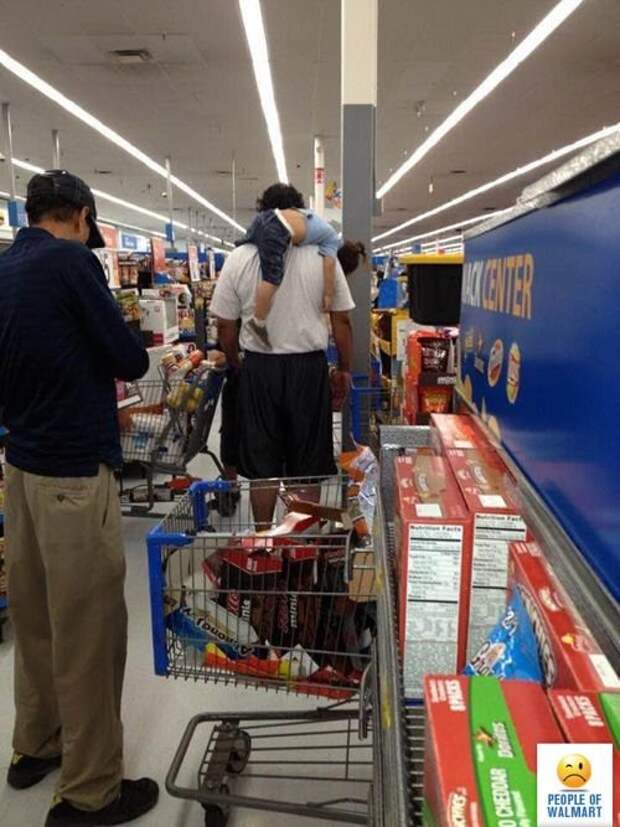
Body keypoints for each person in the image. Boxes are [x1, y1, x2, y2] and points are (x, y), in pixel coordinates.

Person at [0, 170, 159, 826]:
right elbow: (130, 357)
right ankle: (92, 789)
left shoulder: (6, 266)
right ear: (83, 216)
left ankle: (33, 746)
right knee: (89, 631)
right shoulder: (73, 263)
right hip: (73, 477)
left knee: (36, 621)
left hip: (22, 472)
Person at [212, 183, 354, 526]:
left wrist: (235, 362)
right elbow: (342, 319)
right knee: (306, 464)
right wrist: (344, 369)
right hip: (308, 369)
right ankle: (299, 545)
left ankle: (263, 540)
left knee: (262, 464)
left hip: (259, 368)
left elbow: (225, 327)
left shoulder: (240, 257)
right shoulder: (325, 256)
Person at [236, 184, 340, 348]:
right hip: (277, 228)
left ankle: (243, 241)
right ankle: (258, 321)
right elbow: (329, 264)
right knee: (272, 278)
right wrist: (328, 295)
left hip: (265, 221)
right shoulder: (332, 239)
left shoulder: (311, 218)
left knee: (254, 240)